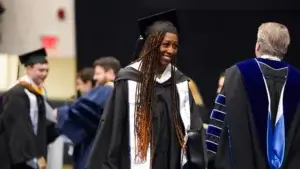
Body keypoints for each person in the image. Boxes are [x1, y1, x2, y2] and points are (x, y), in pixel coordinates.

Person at [86, 9, 207, 169]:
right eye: (165, 44)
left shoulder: (179, 83)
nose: (170, 50)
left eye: (175, 46)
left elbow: (194, 129)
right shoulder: (128, 80)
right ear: (152, 44)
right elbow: (112, 128)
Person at [206, 22, 300, 169]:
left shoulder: (236, 74)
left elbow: (217, 129)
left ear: (257, 46)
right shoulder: (297, 79)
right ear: (285, 49)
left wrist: (209, 160)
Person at [53, 56, 121, 169]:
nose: (95, 77)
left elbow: (82, 112)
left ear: (110, 73)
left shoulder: (107, 90)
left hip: (95, 149)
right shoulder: (121, 91)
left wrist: (60, 112)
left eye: (98, 74)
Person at [0, 48, 58, 169]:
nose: (44, 74)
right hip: (17, 157)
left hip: (32, 152)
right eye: (41, 70)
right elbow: (17, 127)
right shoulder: (17, 93)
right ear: (29, 68)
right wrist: (28, 156)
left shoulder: (38, 93)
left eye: (47, 70)